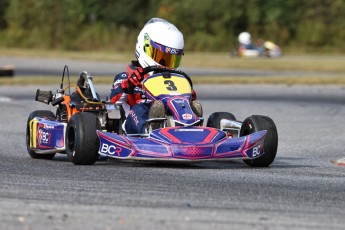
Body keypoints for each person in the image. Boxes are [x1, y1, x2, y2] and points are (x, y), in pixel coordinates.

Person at [110, 18, 200, 134]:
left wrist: (187, 95)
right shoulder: (126, 76)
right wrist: (128, 85)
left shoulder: (174, 79)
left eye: (172, 60)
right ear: (145, 47)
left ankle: (195, 130)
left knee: (191, 106)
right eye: (162, 58)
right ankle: (150, 128)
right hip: (133, 129)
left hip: (170, 122)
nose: (167, 65)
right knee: (140, 108)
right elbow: (114, 99)